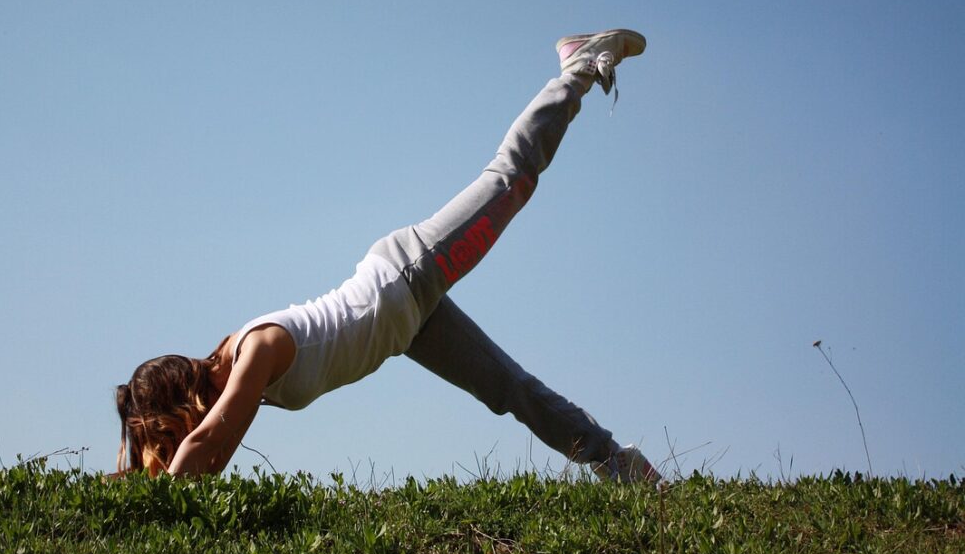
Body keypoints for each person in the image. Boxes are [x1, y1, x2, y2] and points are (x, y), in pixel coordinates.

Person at [116, 29, 661, 484]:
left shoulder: (253, 351)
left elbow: (207, 445)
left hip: (406, 275)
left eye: (165, 431)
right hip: (406, 325)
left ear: (179, 402)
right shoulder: (239, 385)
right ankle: (617, 462)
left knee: (510, 180)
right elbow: (209, 454)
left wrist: (161, 505)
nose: (174, 440)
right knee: (508, 389)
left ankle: (578, 67)